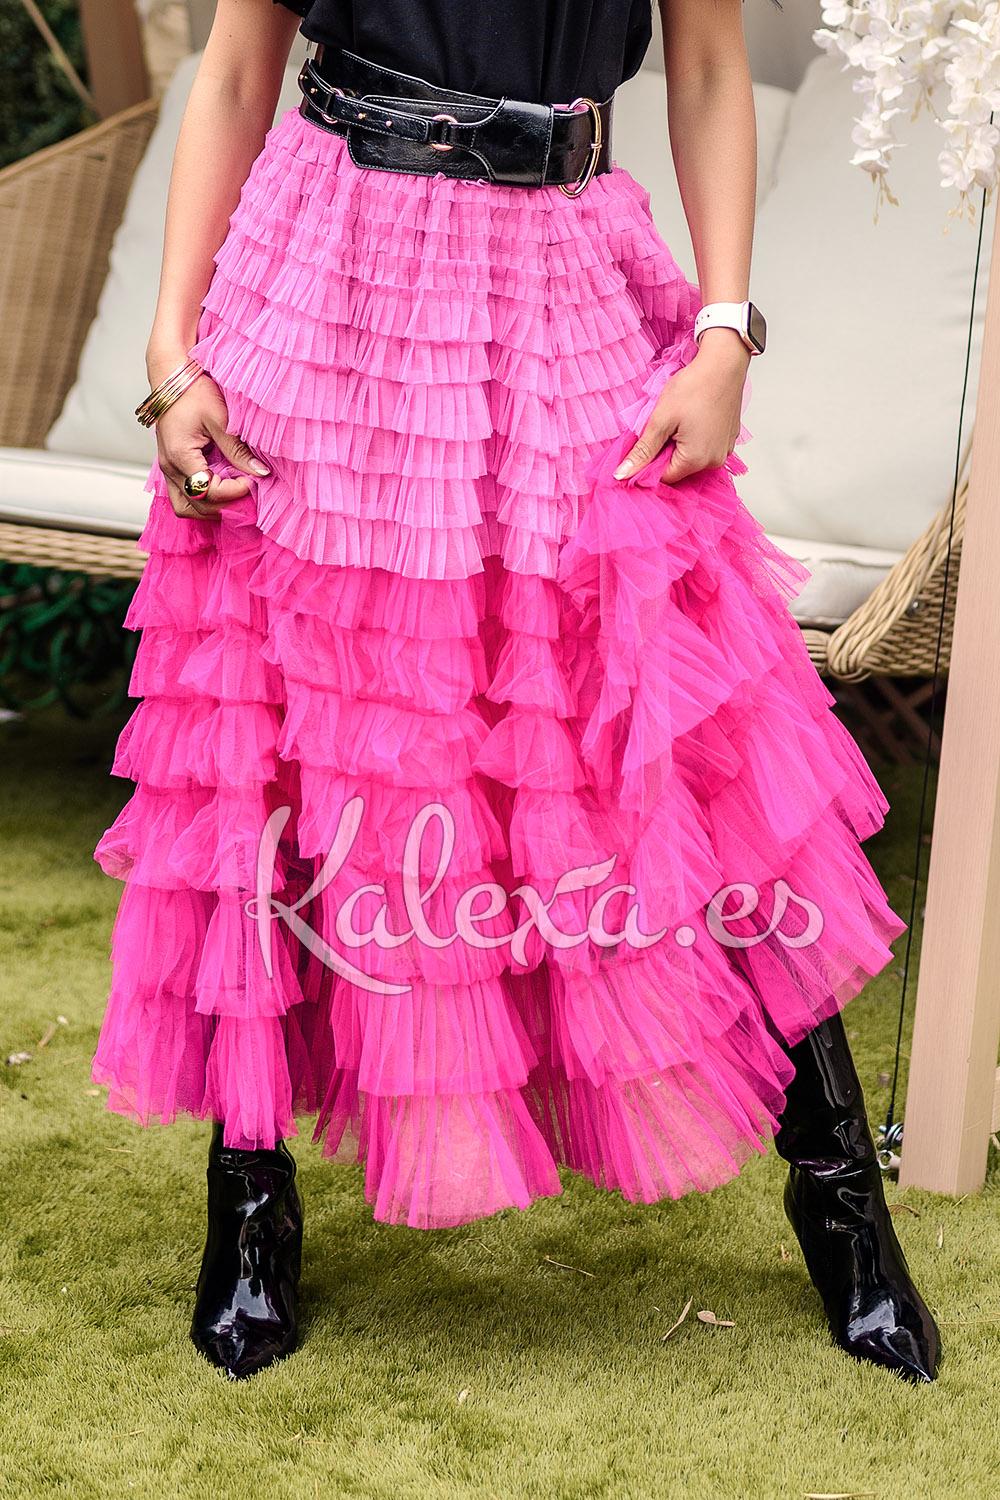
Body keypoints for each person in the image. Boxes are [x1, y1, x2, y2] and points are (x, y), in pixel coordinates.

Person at [93, 0, 941, 1384]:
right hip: (327, 274)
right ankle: (249, 1206)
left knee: (687, 721)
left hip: (567, 272)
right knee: (289, 729)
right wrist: (172, 351)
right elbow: (241, 66)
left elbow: (707, 64)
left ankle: (841, 1202)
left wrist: (726, 332)